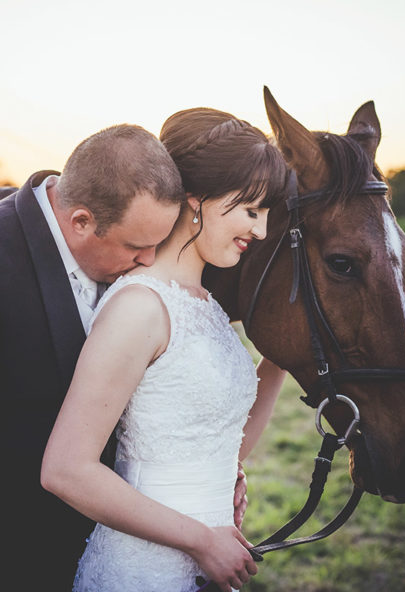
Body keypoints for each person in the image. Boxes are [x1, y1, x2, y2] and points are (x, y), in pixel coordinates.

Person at [0, 124, 187, 591]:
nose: (149, 261)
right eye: (135, 246)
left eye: (157, 245)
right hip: (1, 566)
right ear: (81, 221)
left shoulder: (124, 259)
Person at [41, 108, 289, 592]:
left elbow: (225, 443)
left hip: (209, 568)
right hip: (141, 573)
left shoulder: (207, 305)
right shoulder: (140, 306)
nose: (259, 231)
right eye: (250, 210)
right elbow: (66, 469)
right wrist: (201, 540)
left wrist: (277, 358)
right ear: (197, 200)